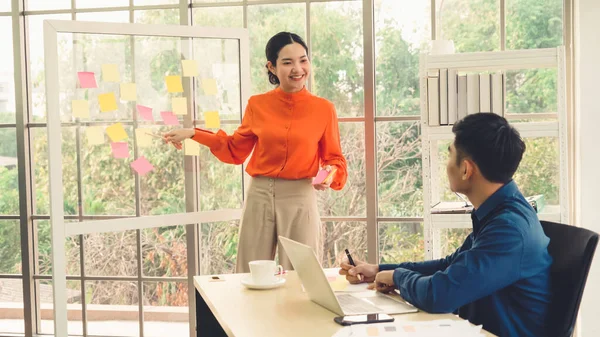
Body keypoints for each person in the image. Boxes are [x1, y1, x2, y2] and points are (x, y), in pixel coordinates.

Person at [339, 113, 552, 337]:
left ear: (466, 169)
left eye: (449, 155)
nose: (446, 164)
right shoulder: (500, 212)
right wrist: (379, 271)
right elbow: (451, 265)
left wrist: (397, 277)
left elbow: (439, 295)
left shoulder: (509, 229)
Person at [164, 32, 347, 273]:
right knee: (250, 272)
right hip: (259, 194)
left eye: (303, 60)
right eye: (287, 62)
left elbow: (334, 159)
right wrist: (193, 133)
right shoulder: (257, 105)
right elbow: (234, 150)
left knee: (301, 274)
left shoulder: (324, 109)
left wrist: (330, 174)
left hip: (299, 196)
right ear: (271, 66)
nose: (298, 68)